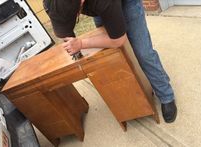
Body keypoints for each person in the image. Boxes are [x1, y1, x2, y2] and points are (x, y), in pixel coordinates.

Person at [44, 0, 177, 123]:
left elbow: (118, 40)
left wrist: (81, 43)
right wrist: (73, 45)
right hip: (102, 7)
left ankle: (166, 95)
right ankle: (141, 89)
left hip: (126, 3)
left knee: (143, 53)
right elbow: (63, 22)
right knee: (113, 55)